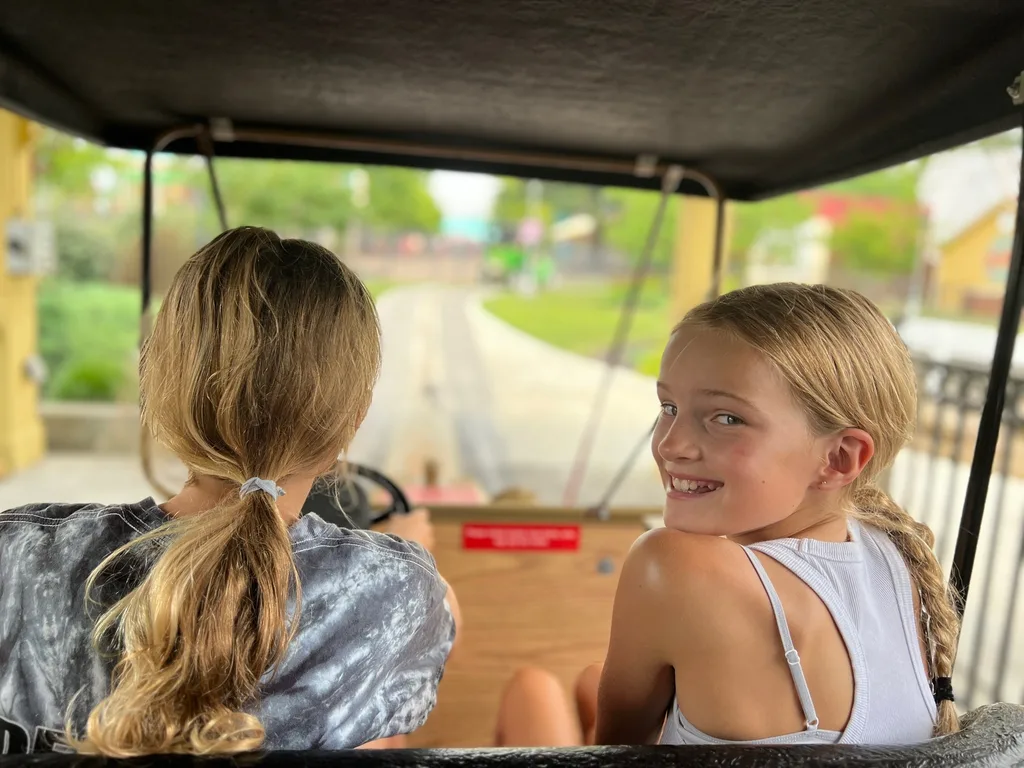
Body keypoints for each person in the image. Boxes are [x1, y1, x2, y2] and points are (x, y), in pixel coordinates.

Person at [0, 227, 458, 757]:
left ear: (161, 392)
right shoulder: (398, 590)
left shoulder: (18, 557)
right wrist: (406, 548)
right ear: (350, 424)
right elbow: (444, 629)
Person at [493, 283, 959, 747]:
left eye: (726, 418)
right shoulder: (894, 552)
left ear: (839, 457)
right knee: (587, 681)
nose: (671, 445)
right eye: (669, 407)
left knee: (532, 690)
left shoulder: (673, 566)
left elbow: (615, 753)